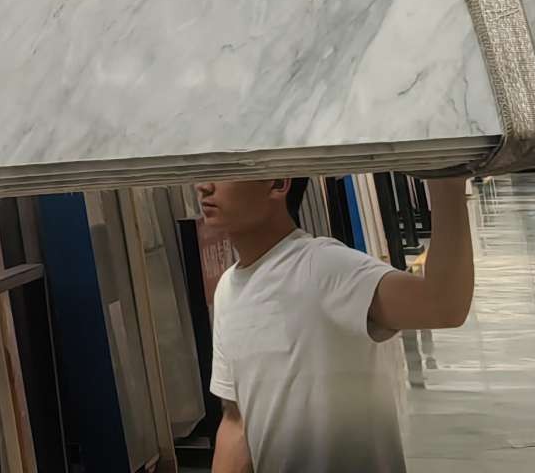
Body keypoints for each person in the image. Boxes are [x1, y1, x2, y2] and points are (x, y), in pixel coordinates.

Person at [197, 175, 474, 472]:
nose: (203, 186)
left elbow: (443, 306)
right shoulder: (228, 289)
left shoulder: (323, 265)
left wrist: (446, 182)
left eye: (222, 172)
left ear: (277, 184)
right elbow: (236, 420)